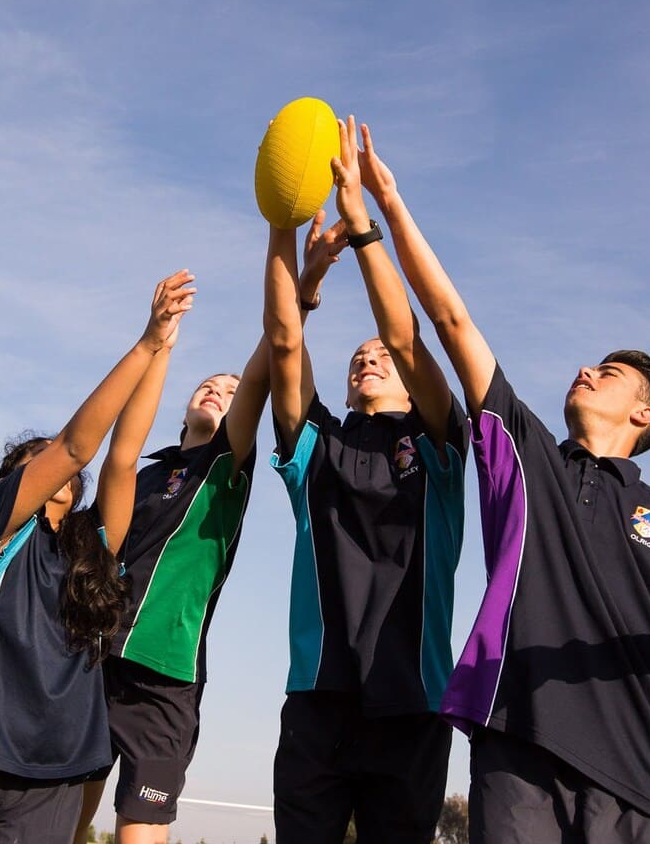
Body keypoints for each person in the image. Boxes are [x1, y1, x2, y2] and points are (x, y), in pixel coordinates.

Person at [356, 122, 650, 844]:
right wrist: (384, 209)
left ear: (643, 413)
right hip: (520, 740)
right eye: (588, 365)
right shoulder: (522, 451)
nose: (586, 369)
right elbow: (446, 321)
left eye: (608, 373)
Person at [0, 271, 196, 844]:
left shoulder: (95, 547)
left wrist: (165, 350)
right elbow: (80, 445)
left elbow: (121, 457)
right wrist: (144, 342)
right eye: (38, 461)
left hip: (58, 767)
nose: (60, 470)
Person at [263, 116, 468, 844]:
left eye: (377, 352)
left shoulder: (441, 446)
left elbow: (412, 337)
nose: (368, 357)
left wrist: (363, 218)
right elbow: (286, 340)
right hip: (318, 697)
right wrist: (284, 229)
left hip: (412, 699)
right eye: (357, 355)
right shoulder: (317, 444)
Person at [71, 337, 271, 844]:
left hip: (166, 673)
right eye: (207, 385)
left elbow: (262, 372)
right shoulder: (146, 472)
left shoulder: (227, 466)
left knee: (140, 820)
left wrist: (298, 293)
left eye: (229, 391)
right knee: (66, 800)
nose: (216, 390)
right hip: (96, 657)